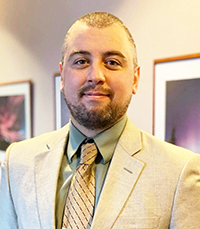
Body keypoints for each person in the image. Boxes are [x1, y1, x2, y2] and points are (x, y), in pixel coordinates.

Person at [0, 12, 200, 229]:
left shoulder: (179, 173)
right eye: (81, 61)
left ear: (135, 78)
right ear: (63, 76)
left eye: (112, 62)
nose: (95, 75)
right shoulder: (17, 163)